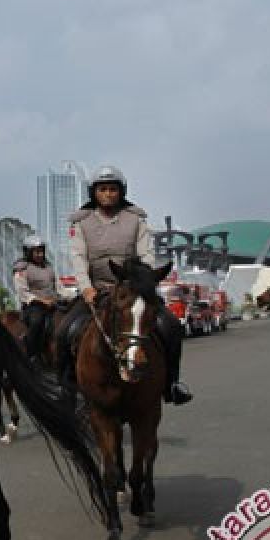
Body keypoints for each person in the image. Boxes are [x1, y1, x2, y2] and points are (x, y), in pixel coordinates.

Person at [58, 165, 193, 405]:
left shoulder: (136, 219)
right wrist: (86, 287)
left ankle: (172, 384)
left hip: (134, 290)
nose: (108, 194)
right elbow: (78, 257)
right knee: (64, 331)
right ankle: (67, 388)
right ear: (93, 193)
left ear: (121, 192)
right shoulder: (81, 222)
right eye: (103, 189)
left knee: (170, 326)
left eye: (113, 189)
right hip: (96, 291)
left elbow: (147, 255)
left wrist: (142, 282)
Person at [12, 235, 59, 357]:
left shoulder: (48, 267)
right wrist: (42, 301)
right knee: (36, 322)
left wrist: (74, 295)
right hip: (34, 307)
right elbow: (23, 293)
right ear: (28, 252)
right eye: (36, 252)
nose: (40, 255)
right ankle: (30, 354)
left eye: (41, 251)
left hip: (52, 303)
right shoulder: (22, 268)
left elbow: (58, 287)